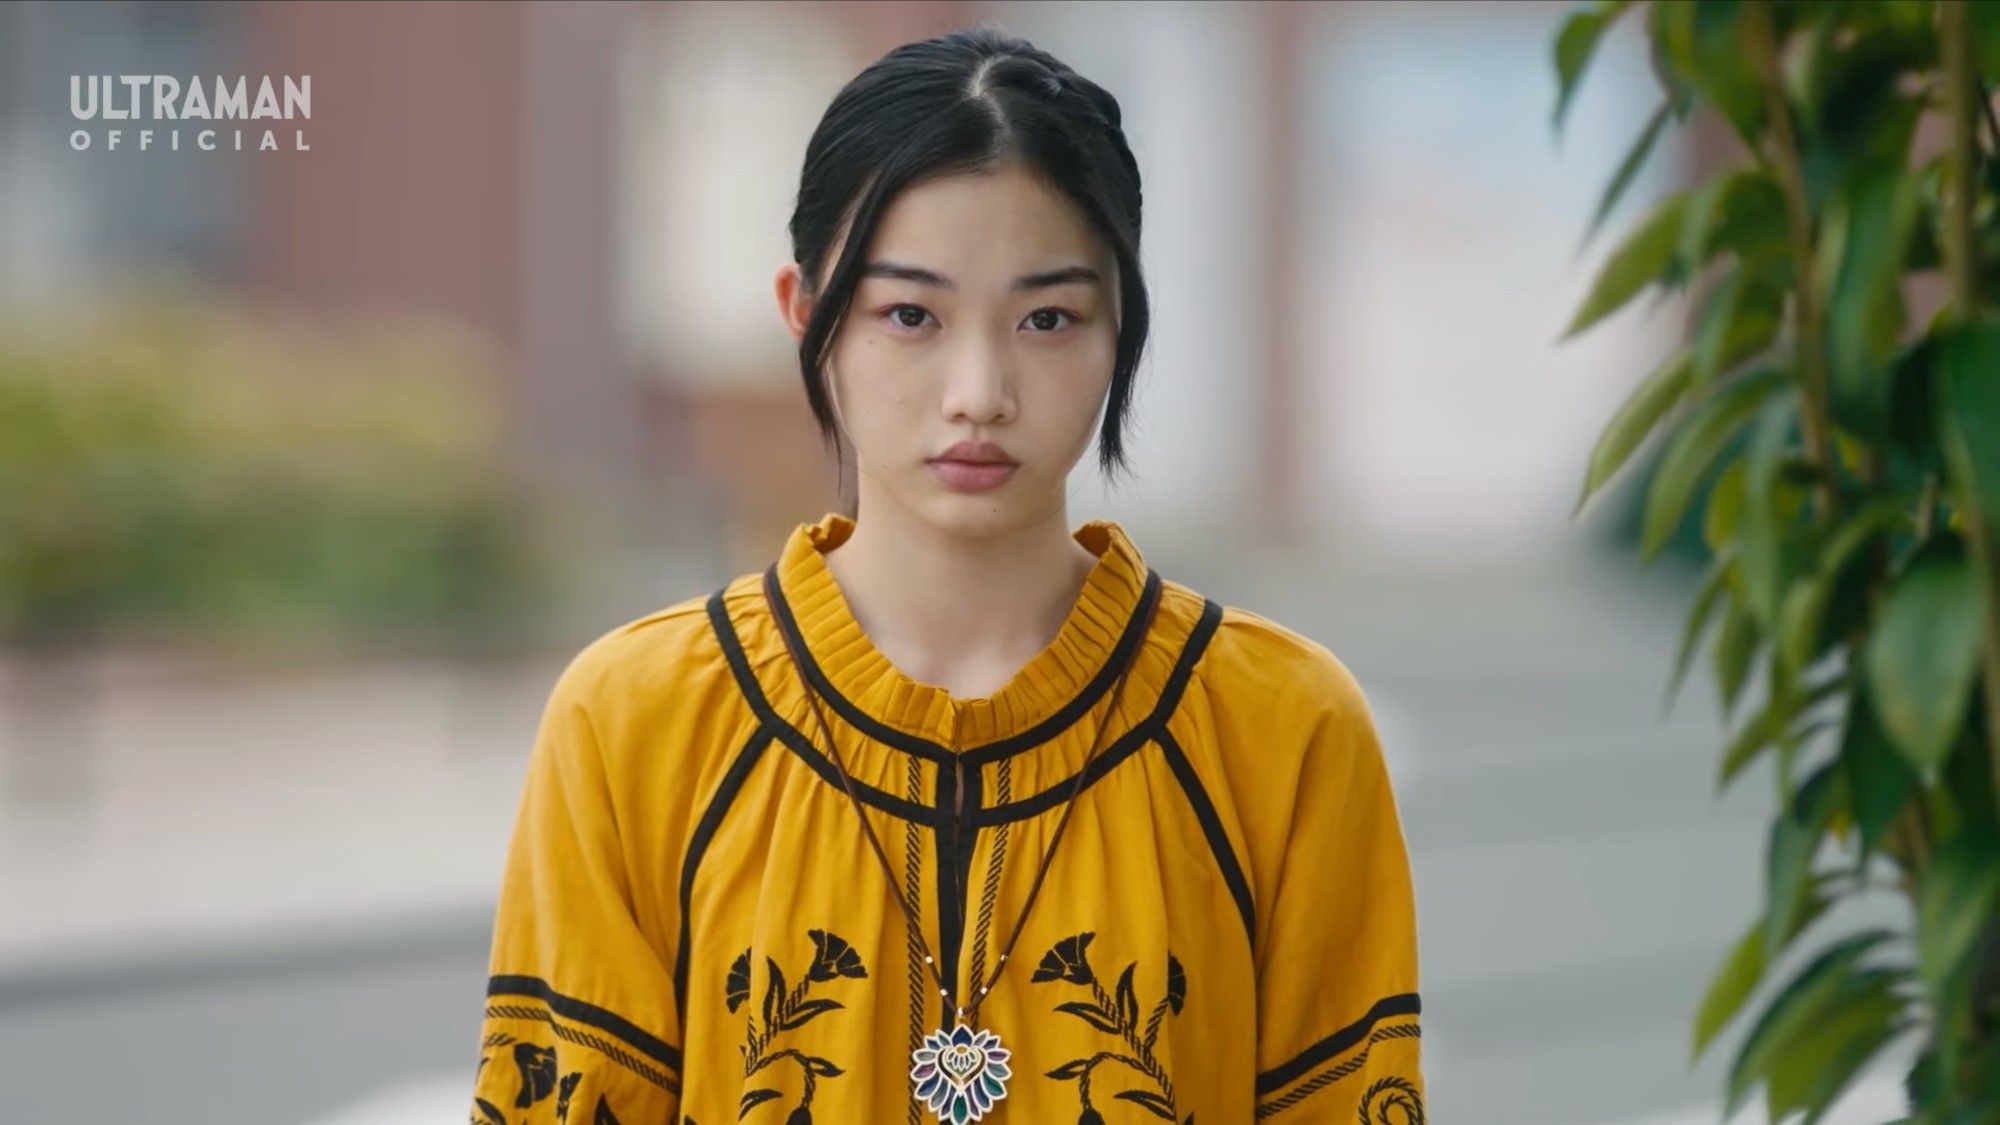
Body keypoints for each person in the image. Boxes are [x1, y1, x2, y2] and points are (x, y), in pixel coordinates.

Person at [468, 25, 1423, 1125]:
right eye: (909, 315)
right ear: (803, 315)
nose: (978, 390)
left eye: (1047, 318)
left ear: (1123, 331)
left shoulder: (1280, 731)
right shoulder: (637, 724)